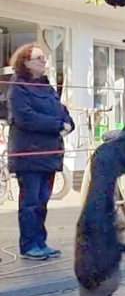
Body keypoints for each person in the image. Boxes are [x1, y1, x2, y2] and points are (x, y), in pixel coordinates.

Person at [7, 43, 74, 260]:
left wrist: (69, 123)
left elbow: (62, 111)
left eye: (44, 58)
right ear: (25, 62)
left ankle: (40, 242)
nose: (44, 62)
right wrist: (57, 125)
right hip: (29, 154)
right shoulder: (18, 87)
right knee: (30, 202)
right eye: (39, 58)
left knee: (43, 201)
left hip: (50, 154)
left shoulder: (46, 86)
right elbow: (25, 117)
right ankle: (28, 245)